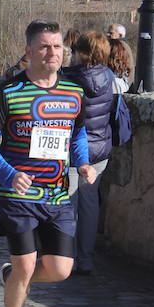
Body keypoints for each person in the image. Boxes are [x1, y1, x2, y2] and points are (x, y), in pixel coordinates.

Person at [0, 20, 96, 307]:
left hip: (57, 194)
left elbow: (77, 134)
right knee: (26, 264)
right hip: (18, 195)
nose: (52, 53)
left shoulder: (74, 93)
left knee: (60, 269)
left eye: (57, 46)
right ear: (29, 51)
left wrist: (83, 163)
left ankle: (12, 278)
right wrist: (8, 174)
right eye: (44, 46)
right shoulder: (8, 93)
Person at [62, 31, 117, 274]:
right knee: (90, 203)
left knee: (68, 204)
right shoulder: (108, 76)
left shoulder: (67, 78)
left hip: (74, 148)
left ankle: (67, 256)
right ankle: (86, 258)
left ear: (82, 53)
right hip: (100, 148)